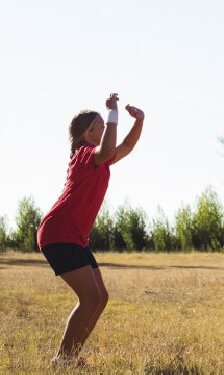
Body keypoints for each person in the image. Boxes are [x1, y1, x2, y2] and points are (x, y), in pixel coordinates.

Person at [37, 93, 145, 366]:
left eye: (103, 125)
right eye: (98, 126)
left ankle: (70, 357)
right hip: (59, 233)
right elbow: (108, 150)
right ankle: (62, 359)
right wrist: (113, 113)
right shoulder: (85, 155)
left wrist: (140, 122)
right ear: (86, 134)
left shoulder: (100, 159)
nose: (103, 130)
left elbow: (125, 148)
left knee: (101, 298)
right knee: (90, 297)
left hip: (76, 238)